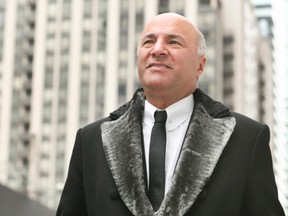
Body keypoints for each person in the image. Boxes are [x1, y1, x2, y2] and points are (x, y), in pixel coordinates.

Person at [56, 13, 285, 216]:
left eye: (173, 41)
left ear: (200, 65)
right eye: (149, 41)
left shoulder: (246, 138)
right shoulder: (91, 140)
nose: (157, 50)